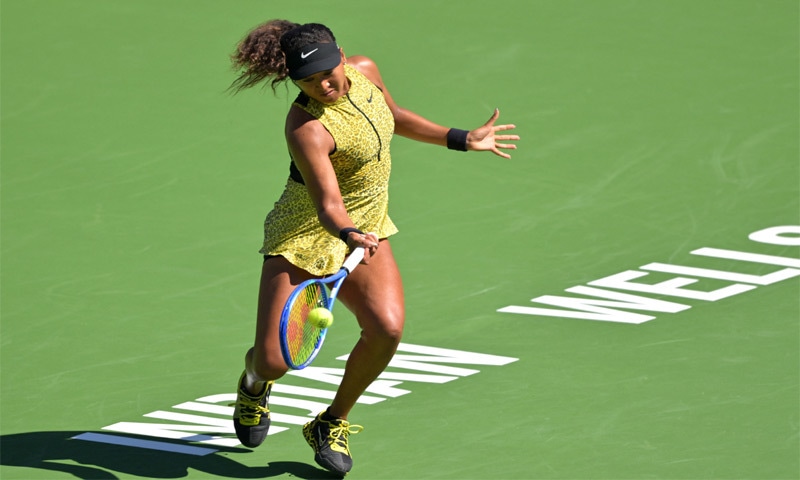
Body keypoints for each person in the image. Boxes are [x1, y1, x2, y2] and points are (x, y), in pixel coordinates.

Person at [228, 20, 519, 476]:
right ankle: (251, 387)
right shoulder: (306, 126)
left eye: (328, 72)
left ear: (342, 55)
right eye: (308, 80)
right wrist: (347, 235)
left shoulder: (365, 70)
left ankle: (331, 422)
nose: (323, 85)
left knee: (387, 328)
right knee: (272, 360)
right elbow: (327, 203)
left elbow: (394, 116)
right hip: (305, 233)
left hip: (366, 228)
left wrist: (461, 138)